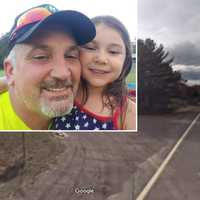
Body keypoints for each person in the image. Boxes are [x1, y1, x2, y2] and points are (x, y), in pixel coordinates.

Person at [0, 4, 96, 130]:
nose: (62, 73)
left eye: (71, 56)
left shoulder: (89, 112)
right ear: (11, 71)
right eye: (41, 57)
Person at [51, 16, 136, 130]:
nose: (101, 59)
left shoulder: (128, 112)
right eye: (90, 48)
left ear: (126, 60)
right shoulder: (59, 92)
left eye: (113, 51)